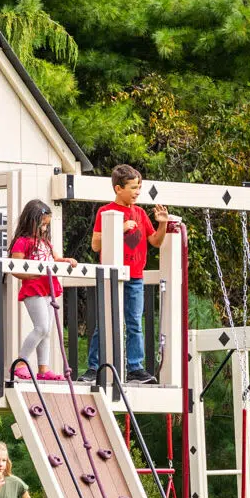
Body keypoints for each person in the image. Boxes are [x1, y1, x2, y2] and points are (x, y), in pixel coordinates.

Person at [84, 164, 169, 384]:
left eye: (139, 187)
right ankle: (93, 368)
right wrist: (119, 228)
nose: (137, 192)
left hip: (135, 276)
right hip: (112, 276)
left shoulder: (140, 213)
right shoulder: (105, 211)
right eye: (133, 187)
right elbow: (95, 245)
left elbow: (155, 242)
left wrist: (163, 224)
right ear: (118, 188)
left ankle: (135, 368)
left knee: (133, 322)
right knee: (105, 321)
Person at [9, 199, 75, 381]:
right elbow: (15, 267)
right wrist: (29, 276)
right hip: (34, 289)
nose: (45, 228)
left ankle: (43, 369)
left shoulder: (46, 243)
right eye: (42, 224)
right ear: (31, 221)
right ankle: (20, 363)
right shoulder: (22, 242)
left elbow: (55, 259)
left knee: (47, 331)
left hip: (48, 289)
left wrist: (66, 260)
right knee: (41, 327)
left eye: (47, 225)